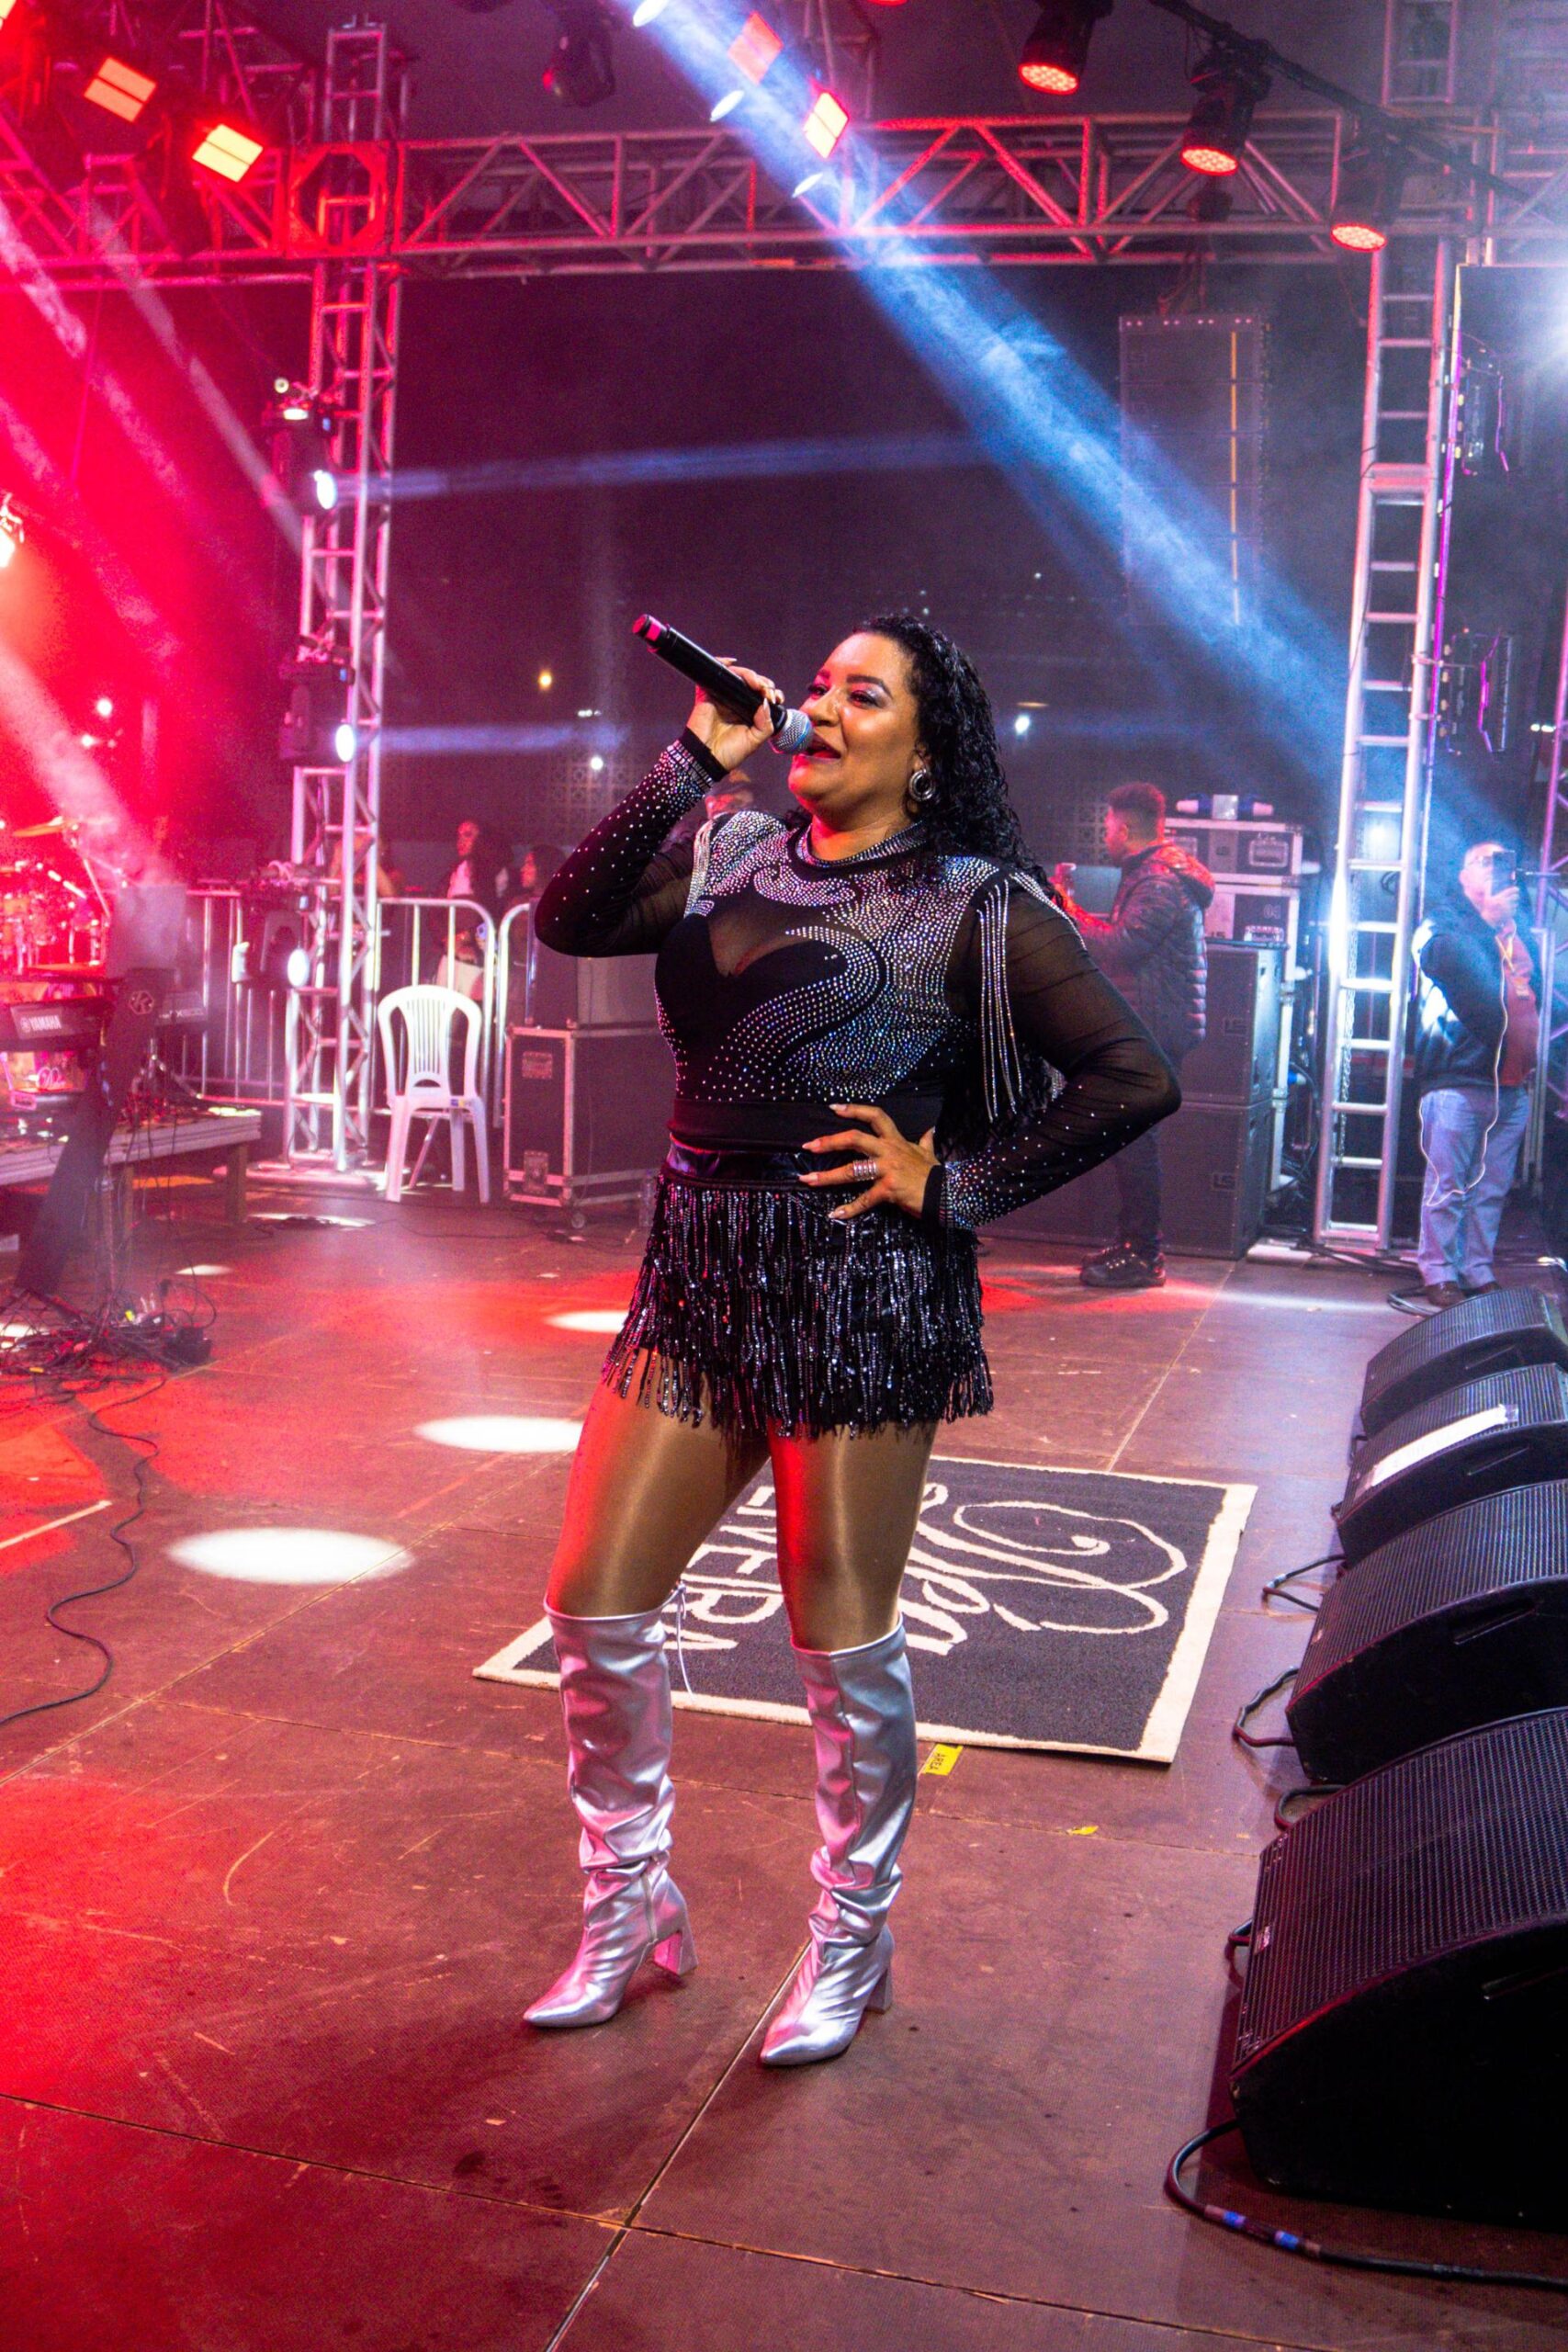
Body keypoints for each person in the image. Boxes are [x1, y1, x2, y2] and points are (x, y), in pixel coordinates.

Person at [528, 616, 1179, 2066]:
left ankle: (851, 1932)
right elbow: (568, 919)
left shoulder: (973, 901)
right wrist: (688, 761)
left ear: (922, 750)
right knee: (593, 1600)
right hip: (697, 1272)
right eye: (817, 686)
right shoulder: (731, 849)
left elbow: (1131, 1076)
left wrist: (953, 1187)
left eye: (859, 694)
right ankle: (628, 1900)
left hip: (862, 1286)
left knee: (834, 1629)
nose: (819, 707)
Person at [1052, 783, 1213, 1290]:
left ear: (1124, 827)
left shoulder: (1160, 879)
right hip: (1152, 1025)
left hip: (1155, 1029)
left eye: (1108, 826)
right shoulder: (1151, 875)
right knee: (1130, 1139)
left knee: (1137, 1141)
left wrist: (1064, 908)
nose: (1105, 835)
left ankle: (1144, 1254)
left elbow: (1121, 947)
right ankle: (1134, 1245)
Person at [1404, 839, 1540, 1314]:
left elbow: (1534, 994)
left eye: (1504, 863)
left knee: (1492, 1187)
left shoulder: (1517, 930)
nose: (1497, 870)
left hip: (1511, 1081)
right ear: (1464, 875)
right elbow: (1446, 961)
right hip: (1459, 1076)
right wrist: (1487, 922)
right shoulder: (1443, 924)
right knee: (1449, 1185)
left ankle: (1476, 1269)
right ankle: (1439, 1272)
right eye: (1486, 862)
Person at [437, 818, 512, 1001]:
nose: (461, 841)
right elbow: (436, 914)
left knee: (476, 1012)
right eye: (459, 836)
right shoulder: (453, 873)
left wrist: (467, 939)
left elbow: (495, 916)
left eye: (468, 835)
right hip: (450, 956)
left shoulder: (498, 873)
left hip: (478, 960)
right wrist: (447, 940)